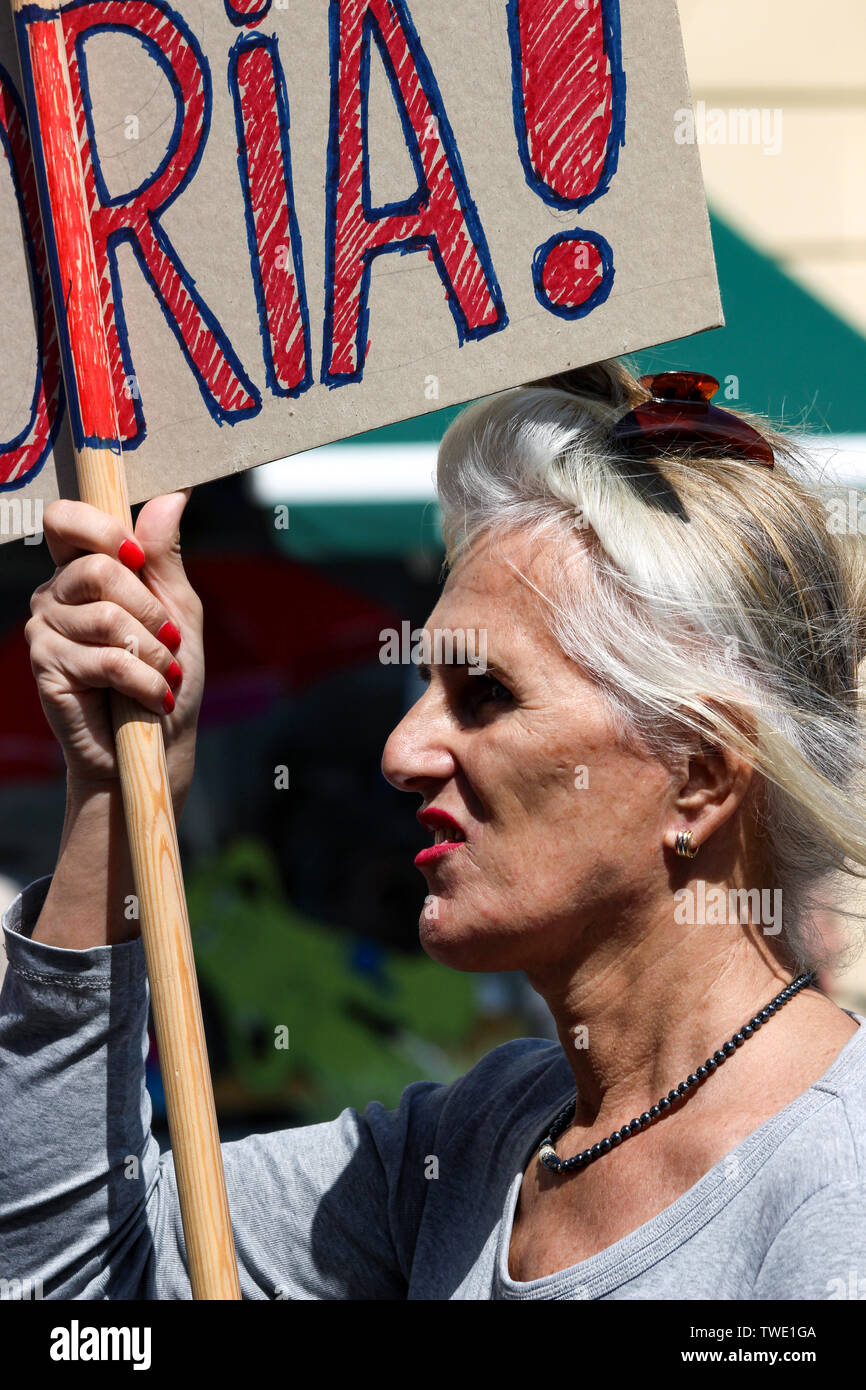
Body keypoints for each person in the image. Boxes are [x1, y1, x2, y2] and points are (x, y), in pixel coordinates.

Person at [2, 361, 866, 1300]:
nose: (402, 752)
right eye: (426, 686)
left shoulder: (836, 1193)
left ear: (699, 775)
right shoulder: (471, 1147)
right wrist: (117, 788)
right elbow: (73, 1284)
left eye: (486, 693)